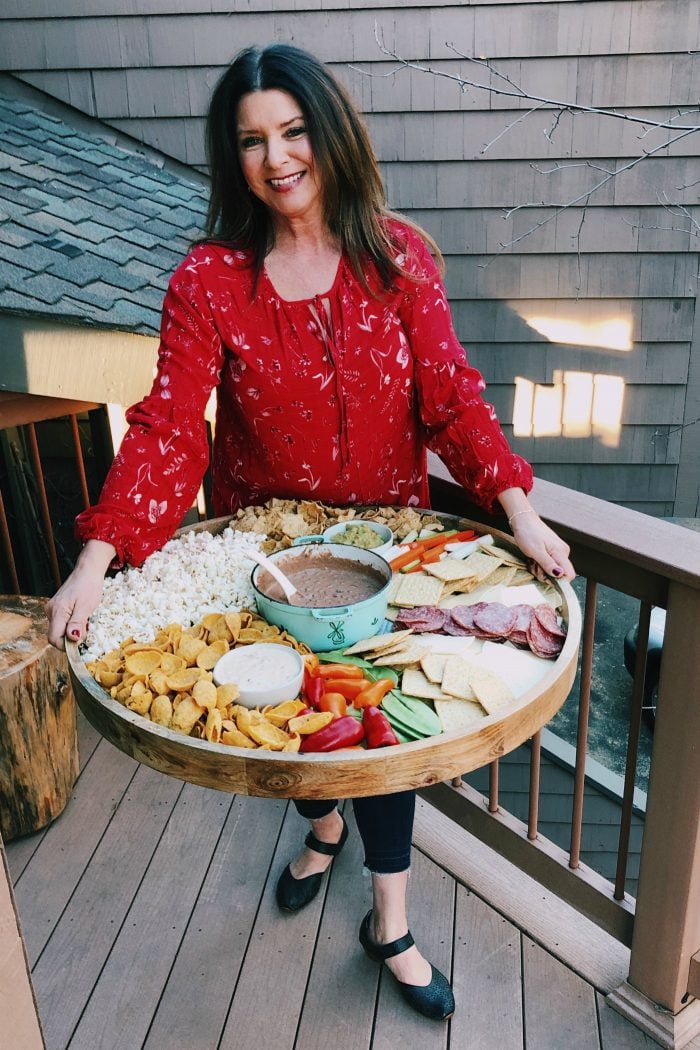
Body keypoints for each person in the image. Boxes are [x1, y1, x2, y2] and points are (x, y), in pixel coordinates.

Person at [47, 43, 574, 1021]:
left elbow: (452, 400)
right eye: (251, 140)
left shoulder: (400, 260)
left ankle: (391, 922)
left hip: (387, 560)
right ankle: (320, 827)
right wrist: (96, 560)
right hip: (265, 564)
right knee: (296, 724)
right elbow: (168, 426)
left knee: (375, 730)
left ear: (329, 133)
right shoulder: (207, 281)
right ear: (230, 156)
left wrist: (519, 509)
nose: (277, 156)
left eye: (293, 131)